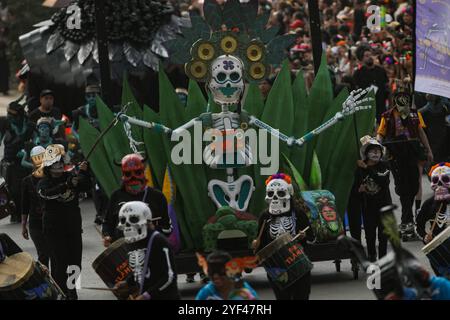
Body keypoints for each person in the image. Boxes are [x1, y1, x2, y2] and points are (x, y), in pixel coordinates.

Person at [37, 145, 91, 300]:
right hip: (54, 231)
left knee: (75, 264)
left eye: (60, 161)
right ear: (48, 166)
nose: (59, 164)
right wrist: (67, 185)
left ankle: (73, 292)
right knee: (59, 264)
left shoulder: (70, 176)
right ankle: (60, 293)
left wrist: (84, 173)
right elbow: (47, 195)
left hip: (73, 228)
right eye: (54, 162)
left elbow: (85, 186)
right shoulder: (43, 184)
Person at [377, 89, 433, 237]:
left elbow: (421, 133)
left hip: (413, 156)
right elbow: (380, 134)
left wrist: (428, 150)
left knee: (414, 187)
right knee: (403, 189)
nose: (403, 101)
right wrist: (377, 146)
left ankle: (408, 220)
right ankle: (406, 221)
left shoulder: (415, 114)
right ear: (395, 100)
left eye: (405, 98)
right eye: (400, 98)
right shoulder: (387, 116)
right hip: (395, 157)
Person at [253, 173, 314, 300]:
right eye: (271, 194)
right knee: (282, 297)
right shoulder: (265, 217)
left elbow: (312, 237)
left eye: (280, 193)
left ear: (289, 194)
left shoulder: (298, 213)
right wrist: (256, 244)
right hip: (276, 266)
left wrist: (304, 235)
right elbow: (260, 244)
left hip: (298, 262)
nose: (275, 198)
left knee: (301, 296)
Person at [113, 201, 179, 300]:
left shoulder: (158, 240)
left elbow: (170, 276)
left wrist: (147, 295)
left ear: (146, 220)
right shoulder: (130, 242)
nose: (127, 225)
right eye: (123, 220)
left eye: (133, 219)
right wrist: (127, 282)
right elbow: (140, 270)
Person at [102, 153, 172, 246]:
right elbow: (108, 223)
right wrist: (107, 236)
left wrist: (152, 229)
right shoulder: (116, 196)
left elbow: (167, 229)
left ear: (143, 173)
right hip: (123, 251)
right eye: (128, 174)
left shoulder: (157, 196)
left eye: (137, 172)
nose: (133, 177)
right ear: (123, 175)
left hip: (151, 248)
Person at [355, 136, 392, 261]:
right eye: (373, 150)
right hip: (368, 207)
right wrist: (359, 190)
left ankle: (383, 258)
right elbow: (355, 188)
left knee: (383, 235)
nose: (376, 152)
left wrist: (367, 169)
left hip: (384, 206)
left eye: (378, 150)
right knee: (370, 235)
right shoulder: (359, 168)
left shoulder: (384, 165)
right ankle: (371, 255)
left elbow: (383, 181)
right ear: (366, 153)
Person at [0, 99, 34, 223]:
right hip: (8, 163)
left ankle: (23, 213)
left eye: (12, 116)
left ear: (20, 116)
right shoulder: (5, 123)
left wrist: (28, 151)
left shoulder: (30, 126)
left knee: (22, 189)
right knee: (10, 191)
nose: (9, 117)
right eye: (8, 114)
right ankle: (15, 214)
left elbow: (36, 141)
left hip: (23, 163)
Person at [21, 146, 50, 268]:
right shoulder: (27, 181)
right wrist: (23, 225)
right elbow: (25, 205)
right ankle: (45, 283)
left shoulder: (52, 178)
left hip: (52, 222)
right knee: (43, 254)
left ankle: (57, 283)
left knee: (55, 254)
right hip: (35, 224)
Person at [353, 45, 389, 123]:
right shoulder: (358, 74)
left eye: (370, 55)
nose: (370, 57)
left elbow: (387, 87)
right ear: (361, 59)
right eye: (366, 56)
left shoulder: (381, 70)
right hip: (367, 107)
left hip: (381, 105)